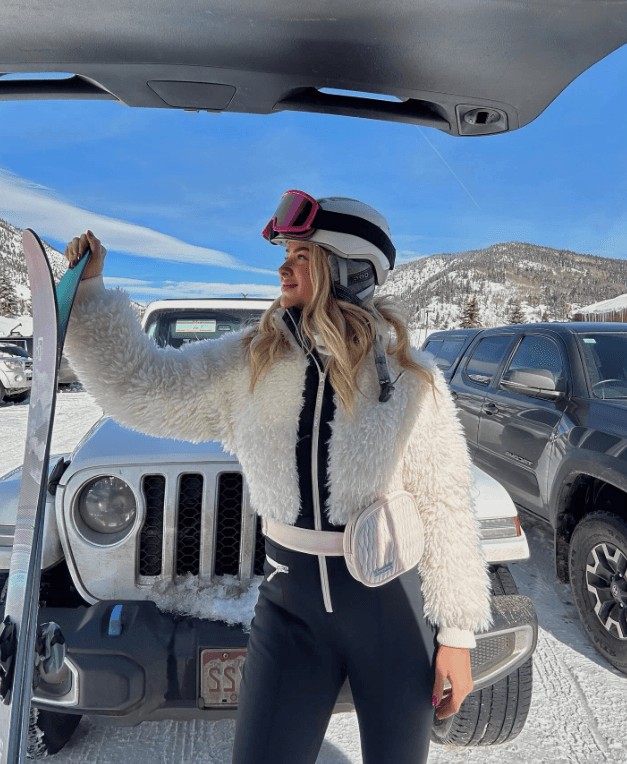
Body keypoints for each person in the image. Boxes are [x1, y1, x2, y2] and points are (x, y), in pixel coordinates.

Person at [64, 191, 491, 764]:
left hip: (393, 612)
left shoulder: (413, 378)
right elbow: (143, 386)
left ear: (349, 269)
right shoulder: (250, 362)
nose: (283, 269)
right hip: (290, 615)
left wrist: (457, 635)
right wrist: (88, 299)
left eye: (301, 255)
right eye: (285, 255)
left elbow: (445, 503)